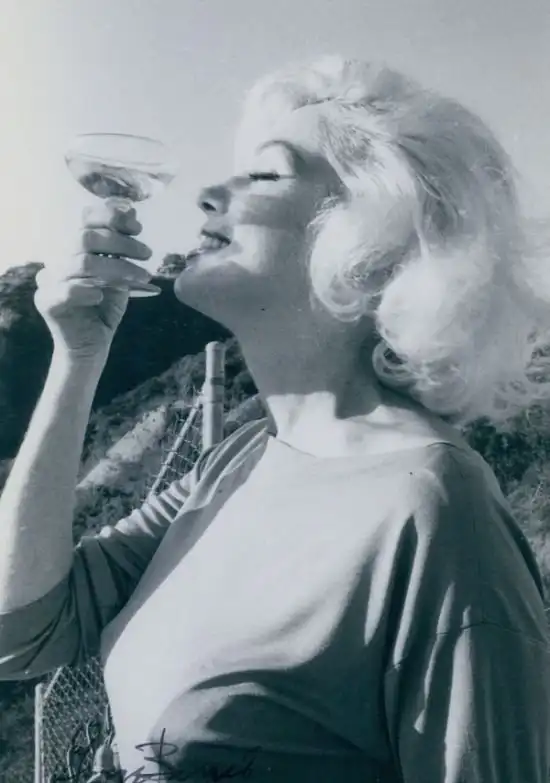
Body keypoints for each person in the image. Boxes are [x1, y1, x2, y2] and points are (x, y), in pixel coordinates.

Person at [0, 56, 549, 782]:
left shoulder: (435, 510)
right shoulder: (246, 456)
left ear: (370, 243)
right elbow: (21, 627)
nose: (206, 193)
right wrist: (78, 355)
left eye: (263, 174)